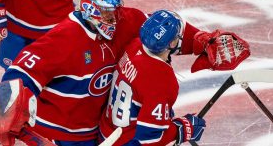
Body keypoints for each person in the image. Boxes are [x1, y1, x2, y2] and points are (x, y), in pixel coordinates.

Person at [0, 0, 250, 146]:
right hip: (63, 133)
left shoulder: (123, 21)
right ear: (91, 14)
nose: (115, 19)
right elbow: (18, 72)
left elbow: (158, 26)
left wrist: (200, 41)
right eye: (108, 15)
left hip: (98, 128)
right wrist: (6, 116)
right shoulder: (64, 40)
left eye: (115, 12)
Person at [98, 10, 250, 145]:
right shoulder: (161, 79)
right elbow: (150, 138)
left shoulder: (135, 44)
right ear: (170, 43)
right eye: (178, 34)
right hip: (127, 141)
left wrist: (200, 41)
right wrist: (181, 130)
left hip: (107, 132)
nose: (181, 35)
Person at [0, 0, 98, 69]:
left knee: (55, 77)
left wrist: (94, 8)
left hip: (58, 30)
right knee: (14, 79)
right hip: (15, 27)